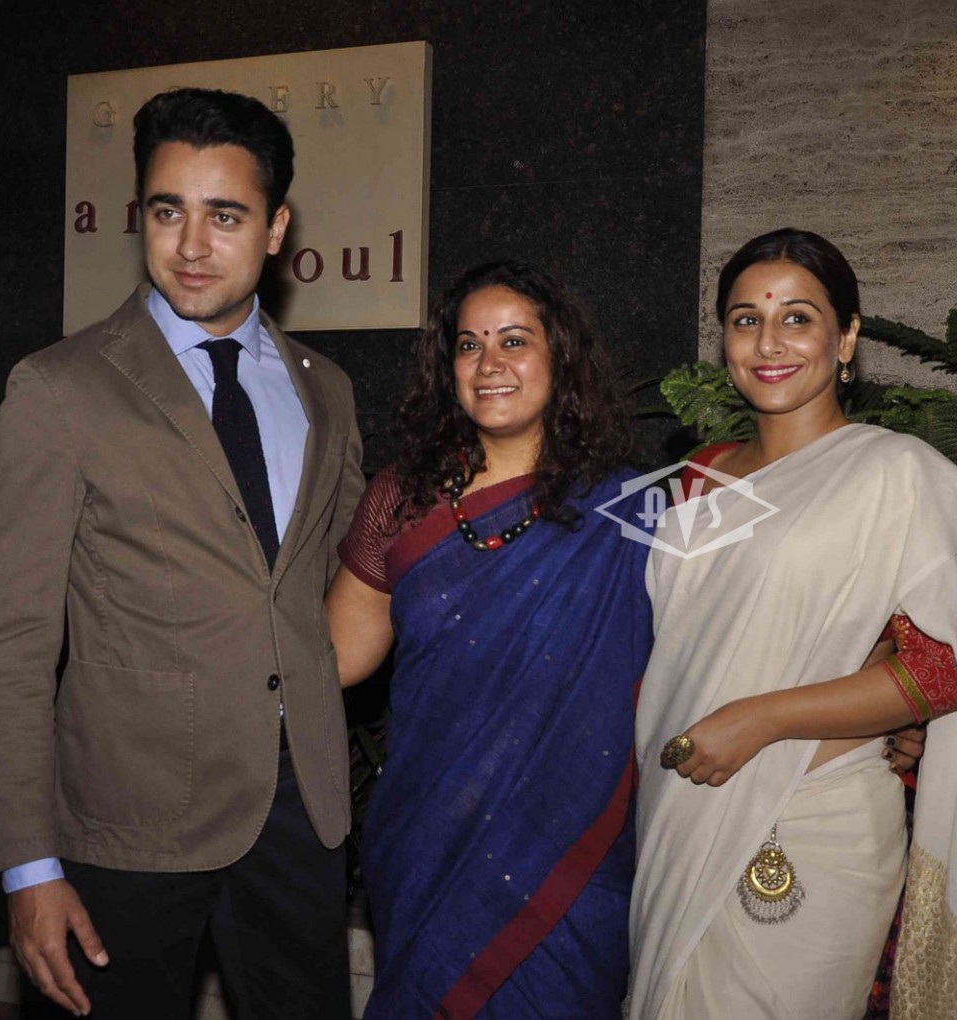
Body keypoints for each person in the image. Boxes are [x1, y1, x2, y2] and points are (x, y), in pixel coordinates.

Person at [327, 260, 924, 1018]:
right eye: (469, 345)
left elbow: (777, 607)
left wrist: (882, 698)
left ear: (560, 359)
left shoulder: (639, 509)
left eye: (515, 340)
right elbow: (337, 659)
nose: (490, 363)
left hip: (574, 854)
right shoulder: (402, 498)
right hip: (427, 835)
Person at [0, 87, 363, 1018]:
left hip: (300, 812)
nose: (191, 245)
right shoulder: (60, 388)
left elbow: (337, 586)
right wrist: (28, 867)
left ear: (275, 229)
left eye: (224, 215)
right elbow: (12, 643)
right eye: (166, 211)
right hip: (126, 823)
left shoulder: (328, 392)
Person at [629, 228, 957, 1019]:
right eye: (746, 320)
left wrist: (762, 719)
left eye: (798, 318)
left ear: (846, 337)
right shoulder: (699, 477)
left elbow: (946, 669)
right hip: (680, 807)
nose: (769, 342)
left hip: (812, 817)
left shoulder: (893, 473)